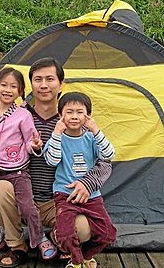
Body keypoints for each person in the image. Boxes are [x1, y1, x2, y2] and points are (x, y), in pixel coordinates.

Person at [0, 58, 113, 268]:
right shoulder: (17, 116)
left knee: (83, 229)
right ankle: (17, 245)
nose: (44, 85)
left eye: (50, 79)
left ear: (61, 83)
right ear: (29, 85)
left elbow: (104, 160)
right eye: (38, 79)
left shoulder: (73, 116)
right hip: (20, 195)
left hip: (59, 201)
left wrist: (88, 182)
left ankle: (58, 240)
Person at [0, 67, 56, 262]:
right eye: (3, 85)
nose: (8, 90)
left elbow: (29, 141)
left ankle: (39, 238)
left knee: (28, 208)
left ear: (20, 91)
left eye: (13, 86)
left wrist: (34, 145)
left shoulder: (23, 115)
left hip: (18, 172)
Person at [44, 92, 117, 268]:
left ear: (88, 116)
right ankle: (76, 261)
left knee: (108, 234)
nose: (74, 116)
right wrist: (56, 132)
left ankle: (84, 256)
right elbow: (51, 160)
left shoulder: (91, 138)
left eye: (79, 112)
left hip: (92, 196)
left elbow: (109, 155)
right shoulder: (57, 138)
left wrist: (96, 130)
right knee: (65, 235)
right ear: (61, 115)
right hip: (65, 196)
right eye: (69, 112)